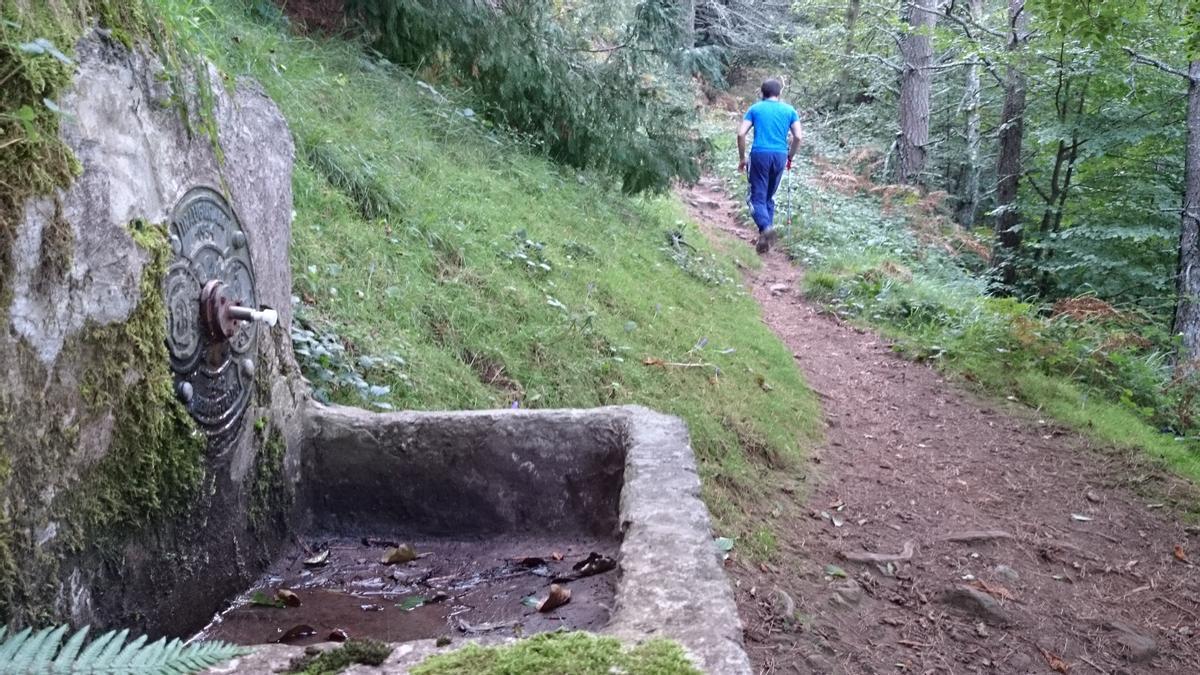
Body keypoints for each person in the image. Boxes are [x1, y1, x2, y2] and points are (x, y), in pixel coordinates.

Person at [737, 78, 802, 253]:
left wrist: (742, 158)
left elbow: (741, 134)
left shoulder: (755, 109)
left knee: (755, 198)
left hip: (759, 154)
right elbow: (798, 137)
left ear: (762, 93)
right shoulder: (789, 111)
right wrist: (790, 156)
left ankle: (766, 228)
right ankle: (764, 239)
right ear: (779, 93)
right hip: (780, 155)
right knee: (767, 198)